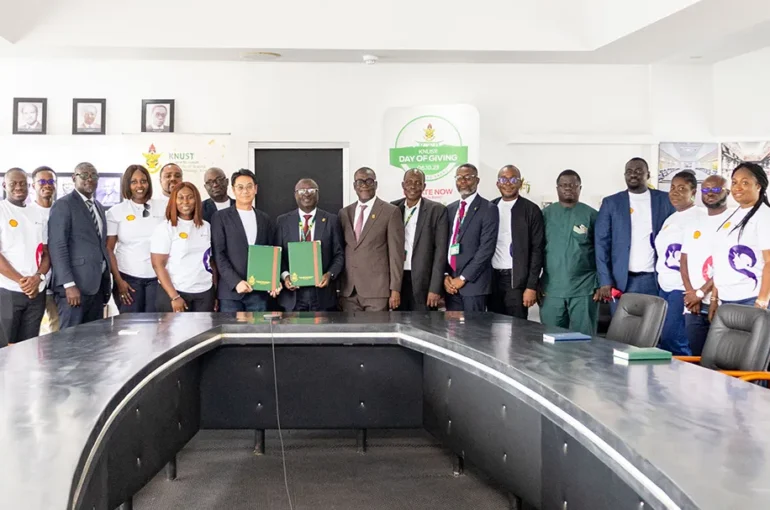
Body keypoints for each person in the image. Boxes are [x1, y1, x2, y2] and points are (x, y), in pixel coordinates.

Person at [595, 157, 675, 313]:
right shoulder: (611, 203)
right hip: (621, 281)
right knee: (622, 332)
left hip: (655, 279)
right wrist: (605, 280)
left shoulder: (665, 200)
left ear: (648, 174)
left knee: (654, 329)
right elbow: (601, 243)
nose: (633, 175)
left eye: (639, 171)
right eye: (629, 171)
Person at [48, 163, 112, 328]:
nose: (89, 179)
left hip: (96, 287)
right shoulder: (63, 205)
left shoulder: (98, 206)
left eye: (93, 175)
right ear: (74, 178)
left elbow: (100, 244)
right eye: (84, 175)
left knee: (92, 341)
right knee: (70, 342)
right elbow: (58, 246)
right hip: (74, 288)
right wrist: (68, 284)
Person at [540, 170, 600, 335]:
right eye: (563, 185)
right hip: (551, 289)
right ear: (557, 188)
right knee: (551, 342)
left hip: (584, 290)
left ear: (580, 188)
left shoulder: (592, 215)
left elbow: (602, 252)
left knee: (585, 342)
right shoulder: (544, 215)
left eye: (573, 185)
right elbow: (535, 250)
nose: (568, 188)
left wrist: (600, 283)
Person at [211, 169, 278, 312]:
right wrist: (236, 282)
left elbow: (270, 253)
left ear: (256, 189)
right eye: (240, 187)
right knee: (231, 334)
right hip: (231, 293)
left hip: (259, 292)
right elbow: (219, 255)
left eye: (249, 186)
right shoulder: (220, 217)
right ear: (233, 190)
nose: (245, 191)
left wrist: (273, 281)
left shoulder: (264, 219)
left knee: (257, 334)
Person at [339, 167, 404, 312]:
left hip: (377, 292)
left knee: (376, 334)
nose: (364, 184)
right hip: (349, 291)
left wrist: (395, 289)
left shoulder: (390, 211)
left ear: (376, 184)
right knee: (353, 334)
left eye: (369, 180)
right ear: (354, 186)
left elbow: (396, 255)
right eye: (359, 181)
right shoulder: (344, 213)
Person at [710, 162, 770, 317]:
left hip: (750, 299)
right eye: (734, 182)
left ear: (759, 186)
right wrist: (714, 298)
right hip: (727, 298)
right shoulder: (734, 214)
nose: (737, 187)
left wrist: (762, 301)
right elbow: (721, 258)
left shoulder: (764, 216)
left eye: (745, 182)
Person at [275, 179, 344, 311]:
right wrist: (285, 276)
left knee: (322, 332)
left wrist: (329, 274)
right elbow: (278, 255)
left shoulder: (331, 220)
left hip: (322, 295)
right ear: (295, 194)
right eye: (302, 190)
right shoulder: (283, 221)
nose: (307, 194)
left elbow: (339, 254)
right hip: (292, 296)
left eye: (311, 190)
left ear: (318, 194)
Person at [652, 171, 702, 355]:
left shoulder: (700, 216)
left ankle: (686, 378)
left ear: (693, 192)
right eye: (672, 188)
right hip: (665, 286)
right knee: (663, 338)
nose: (675, 192)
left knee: (674, 338)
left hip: (682, 288)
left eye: (682, 188)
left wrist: (695, 291)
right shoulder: (671, 218)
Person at [680, 175, 730, 356]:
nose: (710, 193)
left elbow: (726, 265)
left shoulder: (732, 222)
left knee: (721, 358)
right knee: (696, 357)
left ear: (727, 192)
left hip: (719, 302)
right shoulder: (694, 223)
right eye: (706, 190)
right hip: (694, 304)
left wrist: (701, 293)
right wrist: (690, 294)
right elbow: (684, 260)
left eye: (716, 190)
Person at [0, 169, 50, 347]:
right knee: (5, 349)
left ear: (29, 186)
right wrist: (22, 281)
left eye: (22, 183)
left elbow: (46, 252)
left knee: (29, 347)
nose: (18, 187)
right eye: (13, 183)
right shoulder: (1, 211)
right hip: (8, 292)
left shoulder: (37, 214)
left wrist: (37, 278)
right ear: (5, 185)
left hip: (36, 293)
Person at [106, 165, 165, 314]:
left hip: (157, 278)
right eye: (134, 182)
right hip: (128, 279)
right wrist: (119, 281)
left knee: (155, 327)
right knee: (130, 328)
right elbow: (109, 249)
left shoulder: (163, 207)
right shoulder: (116, 212)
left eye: (143, 181)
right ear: (127, 184)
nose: (139, 185)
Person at [150, 182, 215, 312]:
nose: (185, 201)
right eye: (180, 197)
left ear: (196, 200)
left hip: (204, 293)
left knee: (203, 332)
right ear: (174, 200)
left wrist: (214, 293)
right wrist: (174, 297)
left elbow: (211, 261)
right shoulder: (166, 228)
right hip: (176, 293)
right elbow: (158, 265)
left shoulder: (206, 226)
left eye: (190, 197)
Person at [444, 163, 499, 313]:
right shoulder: (450, 209)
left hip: (474, 286)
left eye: (468, 177)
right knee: (452, 333)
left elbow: (486, 250)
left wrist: (462, 278)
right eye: (459, 178)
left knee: (473, 334)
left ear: (477, 180)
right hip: (451, 286)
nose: (463, 181)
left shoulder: (488, 209)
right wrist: (446, 276)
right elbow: (443, 245)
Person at [490, 164, 543, 319]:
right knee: (492, 328)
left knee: (516, 330)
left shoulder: (531, 210)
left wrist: (531, 286)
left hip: (517, 282)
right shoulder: (490, 207)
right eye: (503, 179)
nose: (508, 183)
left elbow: (537, 250)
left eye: (513, 179)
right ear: (497, 183)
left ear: (520, 183)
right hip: (492, 279)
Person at [391, 169, 449, 311]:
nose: (413, 186)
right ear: (403, 185)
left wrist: (435, 288)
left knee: (424, 327)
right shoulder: (392, 208)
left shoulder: (437, 210)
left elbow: (440, 252)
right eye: (409, 182)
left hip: (424, 282)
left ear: (424, 187)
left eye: (418, 183)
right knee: (398, 325)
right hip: (398, 279)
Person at [30, 166, 59, 334]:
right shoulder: (27, 212)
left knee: (57, 327)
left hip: (59, 282)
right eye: (42, 181)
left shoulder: (61, 209)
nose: (46, 185)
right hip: (36, 280)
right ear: (33, 185)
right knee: (31, 330)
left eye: (50, 181)